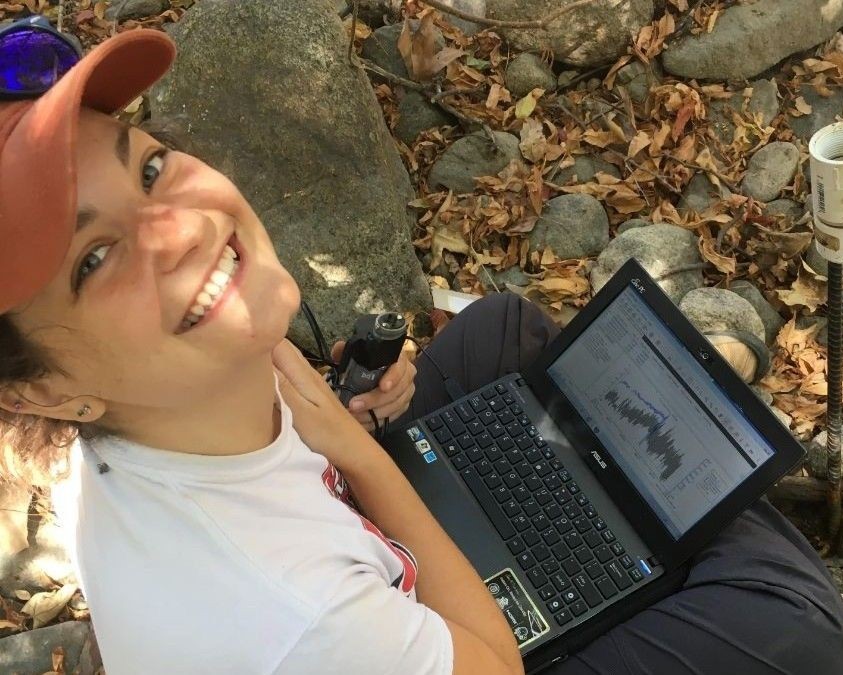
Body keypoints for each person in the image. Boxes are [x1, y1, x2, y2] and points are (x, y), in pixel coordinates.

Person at [0, 24, 840, 675]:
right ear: (40, 392)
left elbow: (287, 468)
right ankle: (640, 541)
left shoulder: (147, 409)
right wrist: (357, 456)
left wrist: (344, 417)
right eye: (94, 259)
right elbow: (493, 660)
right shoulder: (296, 616)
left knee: (496, 330)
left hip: (360, 553)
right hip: (444, 638)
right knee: (791, 617)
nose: (186, 225)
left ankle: (618, 516)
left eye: (147, 170)